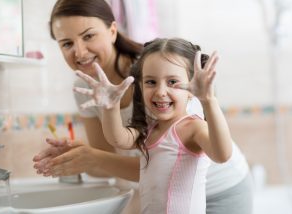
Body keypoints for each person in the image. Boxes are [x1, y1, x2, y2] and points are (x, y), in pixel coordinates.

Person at [33, 0, 253, 213]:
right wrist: (78, 156)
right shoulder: (87, 88)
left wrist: (94, 157)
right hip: (162, 196)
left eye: (88, 36)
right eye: (67, 43)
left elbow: (198, 154)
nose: (79, 52)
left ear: (112, 31)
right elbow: (108, 155)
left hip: (221, 190)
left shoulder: (159, 70)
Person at [73, 38, 233, 213]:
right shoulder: (149, 128)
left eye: (172, 82)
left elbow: (222, 155)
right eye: (151, 82)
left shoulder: (193, 128)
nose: (160, 91)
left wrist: (208, 101)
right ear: (140, 87)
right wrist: (111, 108)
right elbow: (117, 139)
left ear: (191, 89)